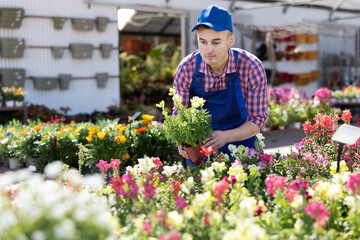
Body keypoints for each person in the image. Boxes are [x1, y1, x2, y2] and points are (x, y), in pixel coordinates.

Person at [173, 5, 268, 164]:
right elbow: (180, 114)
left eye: (216, 43)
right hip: (201, 149)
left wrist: (225, 136)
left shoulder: (251, 67)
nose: (208, 50)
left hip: (242, 144)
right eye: (203, 42)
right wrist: (181, 141)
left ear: (230, 40)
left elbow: (258, 120)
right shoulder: (186, 68)